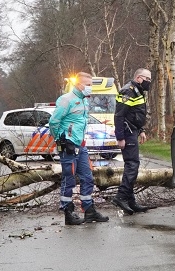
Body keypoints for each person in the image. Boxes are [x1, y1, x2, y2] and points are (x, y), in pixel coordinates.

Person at [49, 72, 109, 225]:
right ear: (78, 84)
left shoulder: (84, 101)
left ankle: (89, 211)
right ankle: (68, 212)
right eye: (87, 85)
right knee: (69, 179)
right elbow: (54, 122)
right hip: (68, 146)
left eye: (91, 85)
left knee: (87, 177)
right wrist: (60, 140)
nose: (90, 88)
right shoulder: (66, 100)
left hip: (80, 146)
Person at [111, 68, 152, 215]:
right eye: (147, 79)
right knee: (132, 165)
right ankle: (121, 196)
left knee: (132, 165)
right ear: (139, 78)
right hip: (127, 133)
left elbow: (136, 113)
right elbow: (119, 116)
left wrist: (141, 130)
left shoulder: (138, 91)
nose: (149, 82)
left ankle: (130, 200)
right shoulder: (127, 91)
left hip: (133, 131)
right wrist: (120, 137)